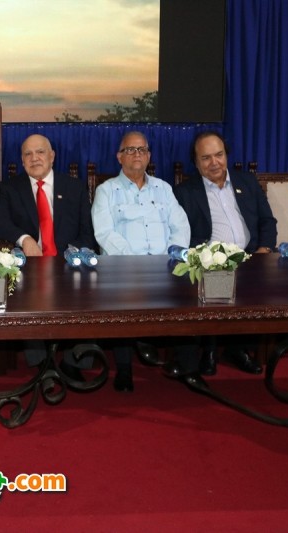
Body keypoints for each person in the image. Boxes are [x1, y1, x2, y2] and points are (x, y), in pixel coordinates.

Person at [91, 131, 193, 392]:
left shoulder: (164, 188)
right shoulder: (106, 191)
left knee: (190, 290)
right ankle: (125, 367)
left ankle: (185, 365)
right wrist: (135, 265)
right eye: (130, 149)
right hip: (123, 268)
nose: (137, 154)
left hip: (165, 265)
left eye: (142, 149)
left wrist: (171, 257)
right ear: (119, 157)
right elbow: (104, 233)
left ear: (149, 155)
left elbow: (180, 226)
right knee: (121, 297)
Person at [0, 133, 97, 380]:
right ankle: (42, 363)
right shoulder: (10, 187)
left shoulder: (74, 187)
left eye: (40, 152)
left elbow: (87, 234)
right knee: (24, 290)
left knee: (87, 288)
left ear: (52, 156)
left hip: (68, 262)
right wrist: (25, 239)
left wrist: (70, 255)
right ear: (22, 160)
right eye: (28, 154)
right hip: (31, 264)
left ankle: (74, 361)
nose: (34, 158)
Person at [174, 131, 277, 375]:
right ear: (196, 162)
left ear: (226, 155)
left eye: (219, 155)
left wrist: (264, 250)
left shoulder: (247, 182)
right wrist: (205, 257)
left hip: (253, 257)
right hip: (210, 262)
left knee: (257, 283)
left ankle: (237, 349)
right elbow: (182, 235)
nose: (214, 162)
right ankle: (210, 349)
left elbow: (267, 221)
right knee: (217, 280)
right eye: (206, 157)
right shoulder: (185, 192)